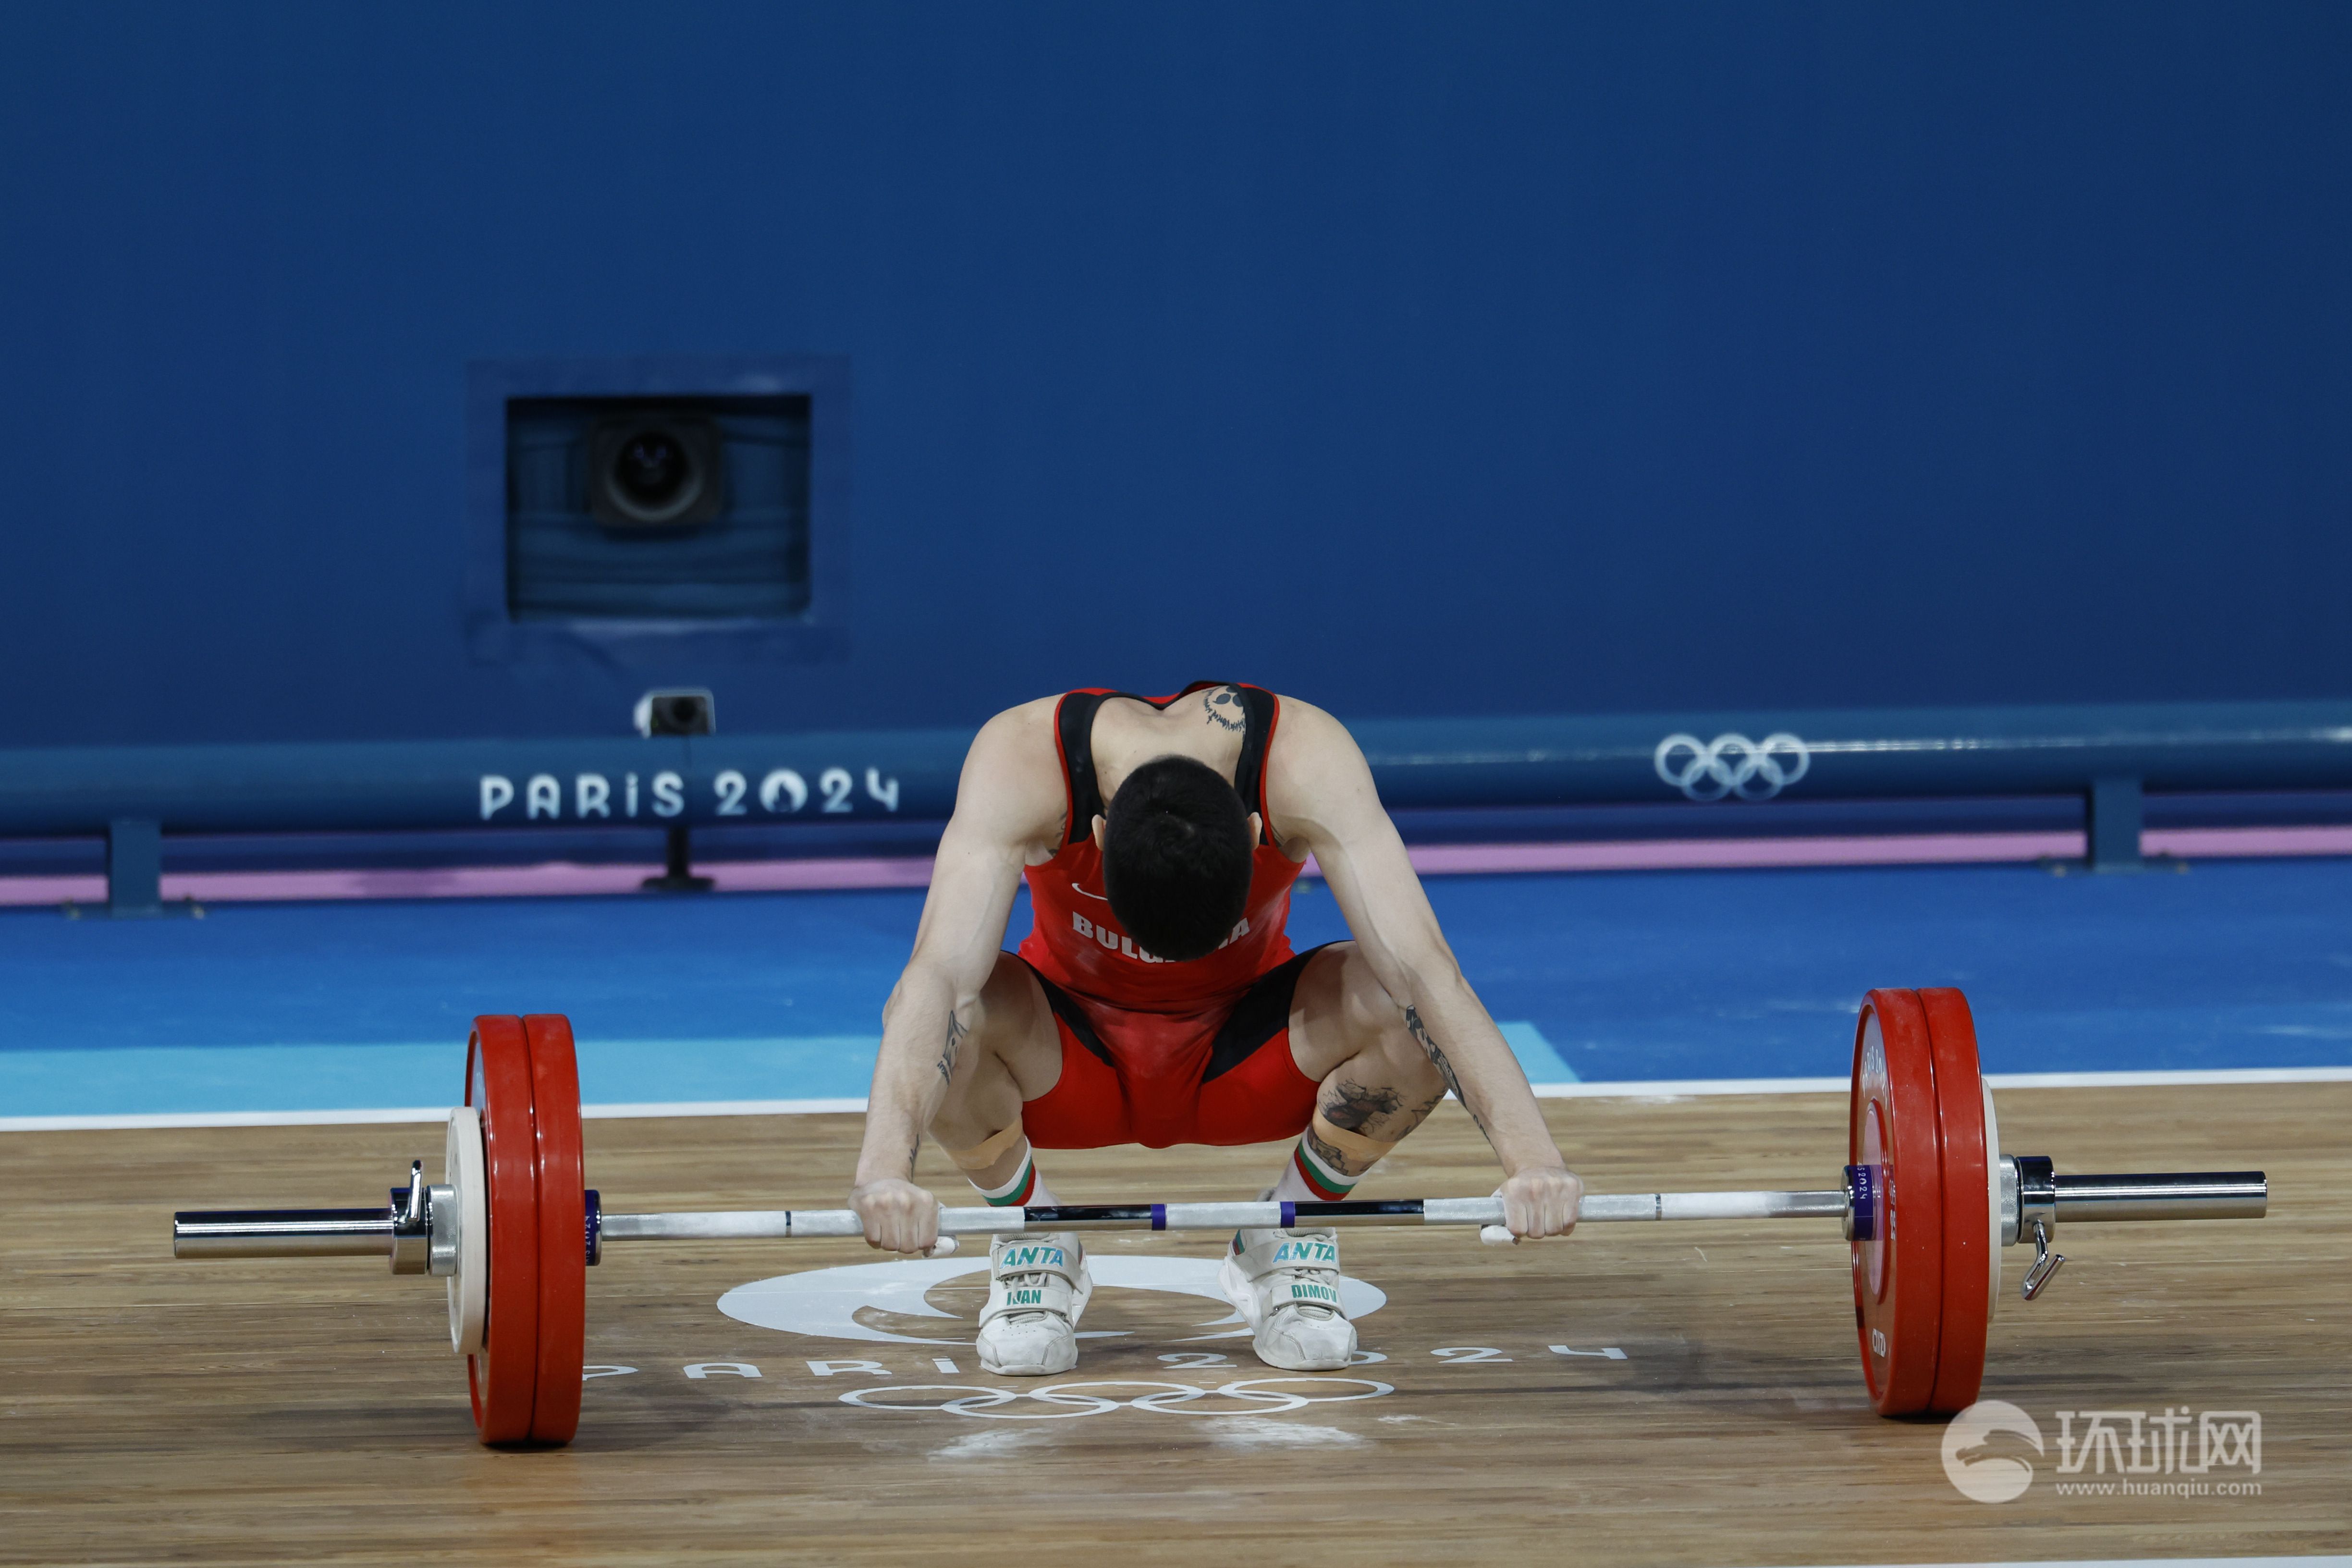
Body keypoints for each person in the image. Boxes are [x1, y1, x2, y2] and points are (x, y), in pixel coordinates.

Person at [849, 682, 1581, 1375]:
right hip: (1066, 1063)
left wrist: (1533, 1160)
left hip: (1244, 1056)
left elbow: (1426, 970)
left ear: (1259, 830)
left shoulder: (1305, 760)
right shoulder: (1021, 761)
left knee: (1403, 1006)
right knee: (954, 1010)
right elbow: (936, 978)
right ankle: (1034, 1235)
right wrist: (884, 1170)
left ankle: (1284, 1232)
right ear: (1098, 835)